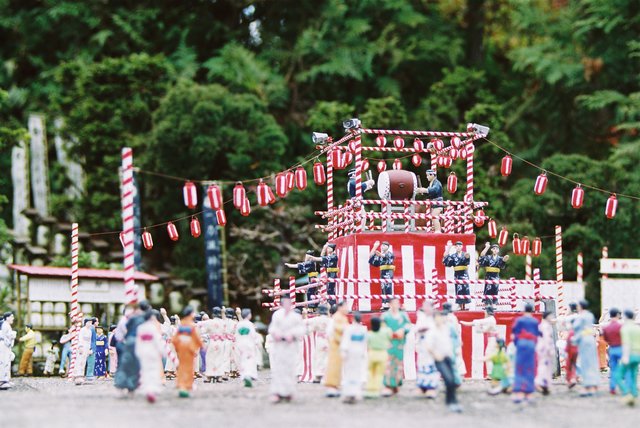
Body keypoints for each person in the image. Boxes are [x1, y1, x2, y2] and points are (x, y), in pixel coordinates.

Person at [268, 294, 305, 403]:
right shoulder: (277, 315)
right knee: (278, 368)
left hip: (291, 345)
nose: (287, 305)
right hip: (279, 345)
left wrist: (292, 334)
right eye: (285, 303)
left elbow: (301, 329)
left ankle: (289, 392)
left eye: (289, 303)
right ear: (282, 304)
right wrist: (276, 333)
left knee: (290, 368)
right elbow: (272, 328)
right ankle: (277, 392)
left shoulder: (296, 316)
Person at [426, 309, 463, 413]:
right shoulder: (432, 331)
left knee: (452, 380)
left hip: (448, 356)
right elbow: (428, 345)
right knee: (448, 379)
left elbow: (451, 341)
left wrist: (455, 350)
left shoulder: (446, 328)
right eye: (437, 317)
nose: (440, 319)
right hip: (439, 358)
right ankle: (451, 402)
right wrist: (435, 355)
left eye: (441, 317)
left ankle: (452, 402)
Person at [114, 301, 149, 393]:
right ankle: (130, 385)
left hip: (128, 341)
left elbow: (124, 329)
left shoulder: (131, 317)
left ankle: (123, 384)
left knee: (125, 364)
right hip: (134, 342)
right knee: (133, 365)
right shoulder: (142, 318)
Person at [511, 303, 540, 404]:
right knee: (530, 367)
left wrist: (516, 343)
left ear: (524, 310)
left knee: (519, 367)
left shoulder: (519, 320)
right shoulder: (535, 321)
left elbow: (514, 332)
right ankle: (529, 392)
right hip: (531, 343)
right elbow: (537, 334)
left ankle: (519, 391)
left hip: (521, 343)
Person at [382, 298, 411, 396]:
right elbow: (382, 327)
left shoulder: (403, 315)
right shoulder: (385, 315)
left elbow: (408, 325)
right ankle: (388, 385)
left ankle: (397, 384)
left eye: (397, 303)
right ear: (390, 304)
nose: (396, 305)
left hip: (399, 342)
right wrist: (388, 332)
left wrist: (403, 330)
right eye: (394, 303)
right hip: (389, 342)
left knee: (398, 362)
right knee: (388, 363)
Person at [172, 306, 203, 398]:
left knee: (181, 367)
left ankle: (181, 384)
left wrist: (177, 347)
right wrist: (201, 346)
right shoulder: (192, 325)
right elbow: (196, 338)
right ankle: (186, 386)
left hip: (181, 348)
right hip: (189, 348)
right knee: (189, 368)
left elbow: (174, 339)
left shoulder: (181, 325)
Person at [136, 310, 165, 403]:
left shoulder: (140, 328)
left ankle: (147, 389)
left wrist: (138, 353)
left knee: (145, 371)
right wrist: (162, 351)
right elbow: (157, 341)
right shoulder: (153, 328)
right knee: (153, 371)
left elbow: (138, 342)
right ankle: (153, 389)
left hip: (143, 352)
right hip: (152, 352)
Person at [460, 306, 498, 378]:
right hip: (492, 339)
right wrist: (479, 328)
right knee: (490, 355)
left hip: (492, 339)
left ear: (487, 312)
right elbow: (485, 329)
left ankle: (491, 374)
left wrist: (466, 323)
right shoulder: (492, 319)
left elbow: (479, 322)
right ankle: (491, 373)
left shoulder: (490, 319)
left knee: (488, 354)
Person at [572, 300, 599, 397]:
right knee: (592, 362)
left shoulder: (581, 316)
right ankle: (594, 385)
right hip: (590, 339)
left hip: (583, 339)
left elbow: (576, 326)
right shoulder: (590, 315)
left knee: (585, 363)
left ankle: (588, 386)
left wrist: (574, 339)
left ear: (580, 306)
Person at [340, 312, 368, 404]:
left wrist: (343, 351)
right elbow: (365, 342)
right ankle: (356, 392)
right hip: (359, 351)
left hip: (350, 351)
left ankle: (349, 392)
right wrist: (364, 352)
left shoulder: (349, 328)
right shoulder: (363, 329)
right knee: (357, 372)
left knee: (349, 372)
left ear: (353, 319)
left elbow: (345, 340)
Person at [415, 301, 440, 397]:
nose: (426, 309)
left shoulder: (435, 317)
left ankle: (431, 387)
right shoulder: (421, 317)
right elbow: (417, 328)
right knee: (421, 365)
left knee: (431, 365)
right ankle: (422, 386)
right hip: (422, 345)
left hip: (433, 345)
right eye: (424, 306)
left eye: (428, 307)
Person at [616, 309, 640, 406]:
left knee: (618, 376)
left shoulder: (625, 328)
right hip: (637, 355)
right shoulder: (637, 328)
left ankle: (626, 393)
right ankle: (634, 395)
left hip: (629, 355)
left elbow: (626, 343)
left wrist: (625, 357)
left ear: (625, 316)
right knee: (633, 376)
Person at [325, 301, 349, 397]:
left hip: (340, 344)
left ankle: (336, 385)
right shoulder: (336, 318)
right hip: (336, 344)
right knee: (334, 366)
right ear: (340, 308)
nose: (347, 309)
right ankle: (332, 386)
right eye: (345, 307)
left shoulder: (343, 318)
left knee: (338, 366)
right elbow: (334, 331)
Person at [365, 317, 391, 398]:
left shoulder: (369, 334)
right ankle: (377, 389)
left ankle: (370, 389)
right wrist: (383, 324)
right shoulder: (385, 332)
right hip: (382, 354)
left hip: (372, 354)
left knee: (370, 372)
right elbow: (389, 333)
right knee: (379, 374)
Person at [305, 303, 331, 383]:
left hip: (320, 339)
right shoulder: (330, 320)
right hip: (328, 339)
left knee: (319, 356)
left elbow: (307, 324)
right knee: (327, 357)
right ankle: (327, 375)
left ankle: (319, 374)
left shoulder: (316, 319)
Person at [235, 308, 262, 387]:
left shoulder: (239, 324)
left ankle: (244, 375)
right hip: (249, 343)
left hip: (241, 343)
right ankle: (250, 375)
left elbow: (237, 335)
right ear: (248, 315)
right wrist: (256, 342)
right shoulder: (250, 324)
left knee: (243, 359)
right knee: (250, 360)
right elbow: (253, 335)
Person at [602, 308, 626, 395]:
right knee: (624, 367)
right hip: (621, 348)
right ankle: (625, 386)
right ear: (618, 315)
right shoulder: (621, 326)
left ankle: (612, 388)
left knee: (613, 369)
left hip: (612, 348)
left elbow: (605, 339)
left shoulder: (606, 327)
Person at [443, 241, 471, 311]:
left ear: (462, 246)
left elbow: (467, 261)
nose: (458, 247)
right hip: (457, 274)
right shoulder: (453, 256)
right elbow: (446, 258)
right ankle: (459, 305)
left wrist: (467, 257)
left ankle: (466, 305)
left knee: (465, 289)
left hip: (464, 274)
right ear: (455, 247)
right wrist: (448, 248)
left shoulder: (465, 254)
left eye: (460, 246)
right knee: (458, 290)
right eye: (457, 246)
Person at [202, 307, 226, 383]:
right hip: (221, 342)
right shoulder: (223, 322)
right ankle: (219, 376)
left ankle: (209, 375)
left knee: (210, 358)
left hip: (212, 341)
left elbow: (204, 331)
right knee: (220, 358)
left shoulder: (210, 322)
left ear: (213, 314)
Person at [368, 241, 395, 309]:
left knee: (388, 287)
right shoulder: (380, 254)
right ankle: (384, 303)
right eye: (382, 245)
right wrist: (374, 247)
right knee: (383, 288)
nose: (383, 246)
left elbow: (386, 257)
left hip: (388, 272)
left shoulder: (390, 254)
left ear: (388, 247)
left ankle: (389, 304)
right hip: (382, 272)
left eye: (385, 245)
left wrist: (381, 255)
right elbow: (371, 257)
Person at [535, 311, 556, 395]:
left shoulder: (542, 325)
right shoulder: (546, 326)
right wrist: (550, 349)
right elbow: (547, 339)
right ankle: (540, 382)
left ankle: (544, 383)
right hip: (545, 348)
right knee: (544, 366)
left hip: (541, 347)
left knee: (544, 365)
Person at [73, 318, 94, 384]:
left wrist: (90, 348)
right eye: (89, 322)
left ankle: (81, 375)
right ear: (85, 323)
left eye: (91, 323)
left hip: (87, 346)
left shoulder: (90, 331)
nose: (90, 324)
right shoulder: (82, 330)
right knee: (80, 361)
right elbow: (80, 338)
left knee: (84, 361)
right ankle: (77, 375)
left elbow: (90, 340)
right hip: (82, 346)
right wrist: (80, 346)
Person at [0, 312, 16, 389]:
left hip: (6, 345)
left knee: (7, 361)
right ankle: (2, 381)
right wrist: (13, 335)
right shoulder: (5, 325)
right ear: (7, 318)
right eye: (11, 317)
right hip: (4, 345)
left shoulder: (7, 325)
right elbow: (7, 336)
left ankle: (5, 379)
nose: (13, 318)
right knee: (4, 362)